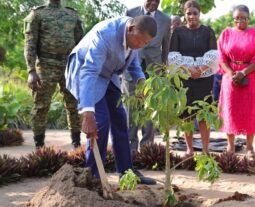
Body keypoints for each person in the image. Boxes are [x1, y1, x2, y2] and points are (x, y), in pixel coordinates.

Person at [65, 15, 157, 185]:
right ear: (131, 29)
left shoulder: (135, 35)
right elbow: (90, 71)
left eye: (146, 44)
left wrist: (142, 83)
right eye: (141, 42)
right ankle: (92, 176)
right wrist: (87, 113)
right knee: (100, 121)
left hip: (108, 74)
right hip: (86, 71)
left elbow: (134, 65)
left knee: (120, 119)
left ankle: (127, 173)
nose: (142, 46)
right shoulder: (105, 35)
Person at [24, 0, 83, 149]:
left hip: (69, 65)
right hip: (45, 65)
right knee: (41, 106)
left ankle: (76, 144)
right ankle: (40, 146)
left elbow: (80, 43)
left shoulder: (72, 14)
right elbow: (30, 44)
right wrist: (31, 70)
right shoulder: (37, 14)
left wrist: (81, 67)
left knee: (74, 105)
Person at [218, 5, 255, 156]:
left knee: (250, 110)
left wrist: (244, 72)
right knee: (229, 110)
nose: (239, 21)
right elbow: (221, 57)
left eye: (243, 18)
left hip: (251, 77)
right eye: (236, 18)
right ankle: (230, 146)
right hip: (230, 78)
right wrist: (232, 73)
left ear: (248, 18)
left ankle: (250, 146)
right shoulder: (226, 34)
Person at [121, 0, 171, 153]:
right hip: (130, 67)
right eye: (151, 0)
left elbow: (166, 46)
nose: (154, 3)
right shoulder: (130, 13)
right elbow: (124, 40)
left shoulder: (166, 19)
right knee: (131, 106)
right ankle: (130, 147)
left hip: (154, 69)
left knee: (150, 106)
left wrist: (163, 69)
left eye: (157, 0)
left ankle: (147, 147)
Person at [169, 0, 217, 155]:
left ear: (199, 14)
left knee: (204, 114)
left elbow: (213, 55)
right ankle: (189, 149)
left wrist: (201, 69)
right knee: (186, 115)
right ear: (184, 14)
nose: (192, 16)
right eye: (188, 13)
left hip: (204, 78)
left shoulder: (208, 31)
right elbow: (174, 56)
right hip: (185, 77)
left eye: (195, 13)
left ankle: (205, 149)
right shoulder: (178, 32)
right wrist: (189, 70)